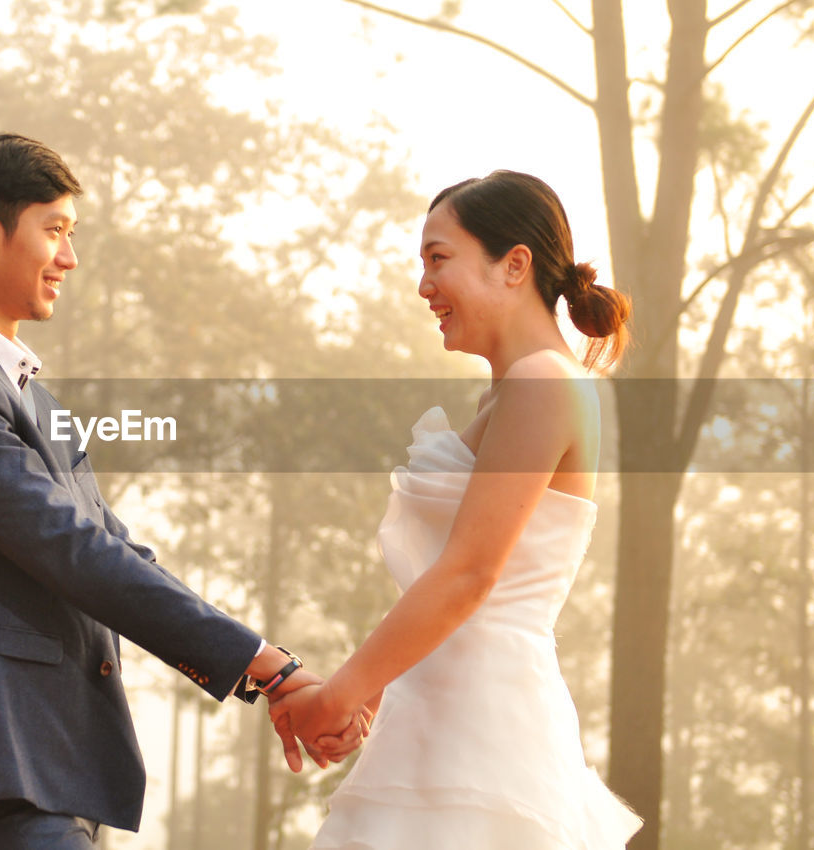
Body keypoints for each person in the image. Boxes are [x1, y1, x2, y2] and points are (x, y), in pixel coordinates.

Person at [0, 131, 362, 850]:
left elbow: (118, 548)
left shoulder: (33, 398)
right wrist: (269, 665)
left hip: (54, 764)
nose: (70, 258)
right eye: (55, 231)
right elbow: (70, 550)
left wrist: (264, 672)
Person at [271, 171, 645, 848]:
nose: (424, 287)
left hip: (486, 729)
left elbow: (471, 574)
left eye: (438, 259)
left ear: (515, 265)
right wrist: (374, 693)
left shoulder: (542, 382)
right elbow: (448, 583)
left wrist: (344, 692)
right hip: (441, 717)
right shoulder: (510, 393)